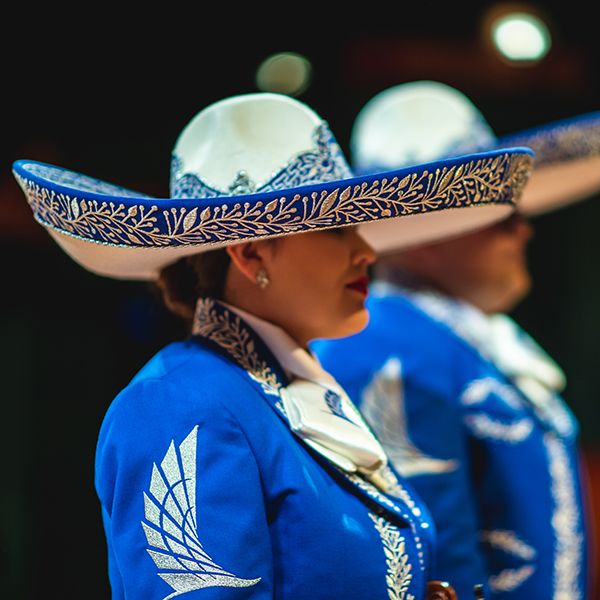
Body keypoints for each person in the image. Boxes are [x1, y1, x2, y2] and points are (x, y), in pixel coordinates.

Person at [13, 92, 531, 600]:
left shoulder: (280, 391)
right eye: (338, 227)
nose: (366, 248)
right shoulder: (183, 405)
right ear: (250, 252)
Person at [313, 81, 600, 600]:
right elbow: (427, 557)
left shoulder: (451, 338)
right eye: (504, 214)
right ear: (425, 235)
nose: (525, 230)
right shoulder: (386, 344)